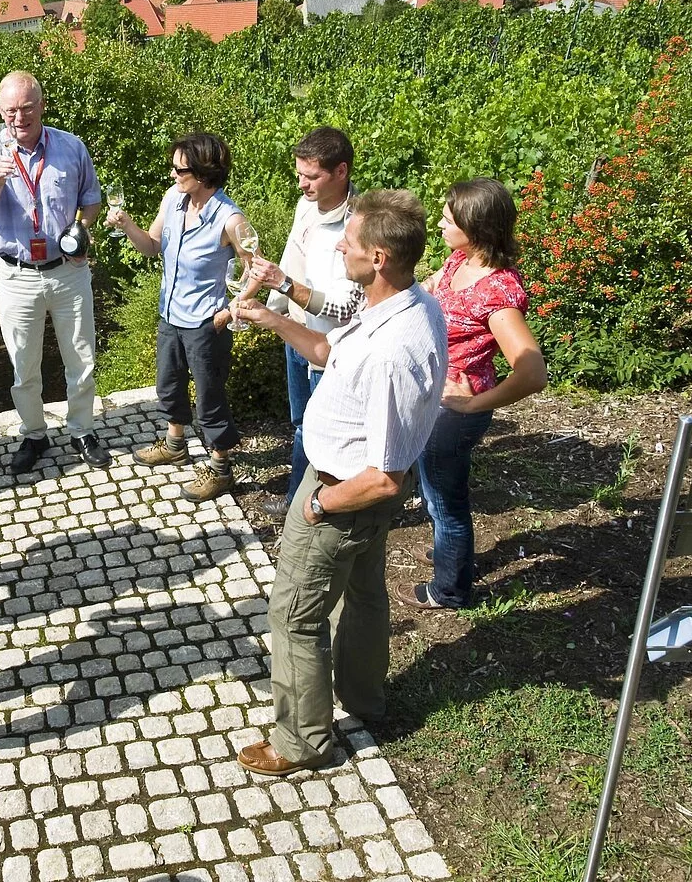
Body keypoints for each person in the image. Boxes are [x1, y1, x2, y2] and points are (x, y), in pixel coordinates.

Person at [232, 190, 446, 777]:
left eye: (347, 242)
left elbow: (385, 477)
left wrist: (321, 505)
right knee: (365, 596)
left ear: (377, 256)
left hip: (342, 497)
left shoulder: (397, 348)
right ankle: (365, 699)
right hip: (340, 492)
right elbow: (327, 350)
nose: (338, 247)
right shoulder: (396, 307)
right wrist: (273, 317)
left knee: (295, 616)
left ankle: (301, 741)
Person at [404, 179, 547, 610]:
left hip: (455, 411)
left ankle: (449, 590)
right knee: (433, 493)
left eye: (450, 219)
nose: (441, 223)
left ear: (478, 227)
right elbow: (428, 289)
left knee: (446, 500)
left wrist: (474, 404)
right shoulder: (459, 261)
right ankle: (450, 554)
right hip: (437, 400)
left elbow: (533, 371)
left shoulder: (496, 294)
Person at [0, 70, 108, 474]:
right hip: (16, 275)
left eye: (27, 108)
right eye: (11, 110)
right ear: (0, 111)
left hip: (67, 270)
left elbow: (92, 200)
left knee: (81, 356)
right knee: (23, 365)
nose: (19, 117)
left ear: (41, 106)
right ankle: (33, 434)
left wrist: (82, 230)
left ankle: (82, 430)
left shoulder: (70, 146)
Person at [105, 133, 252, 502]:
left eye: (179, 169)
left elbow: (258, 269)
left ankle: (220, 469)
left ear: (204, 173)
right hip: (170, 316)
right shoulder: (172, 200)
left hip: (206, 324)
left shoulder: (230, 220)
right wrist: (126, 225)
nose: (172, 174)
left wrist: (231, 309)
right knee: (168, 386)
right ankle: (175, 444)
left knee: (209, 398)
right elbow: (152, 247)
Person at [250, 128, 364, 520]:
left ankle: (318, 506)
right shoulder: (306, 206)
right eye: (299, 174)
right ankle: (298, 500)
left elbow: (345, 307)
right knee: (301, 424)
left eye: (311, 176)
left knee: (324, 432)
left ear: (341, 172)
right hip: (295, 335)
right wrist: (271, 309)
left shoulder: (358, 226)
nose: (302, 184)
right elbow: (291, 257)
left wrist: (285, 286)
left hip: (328, 347)